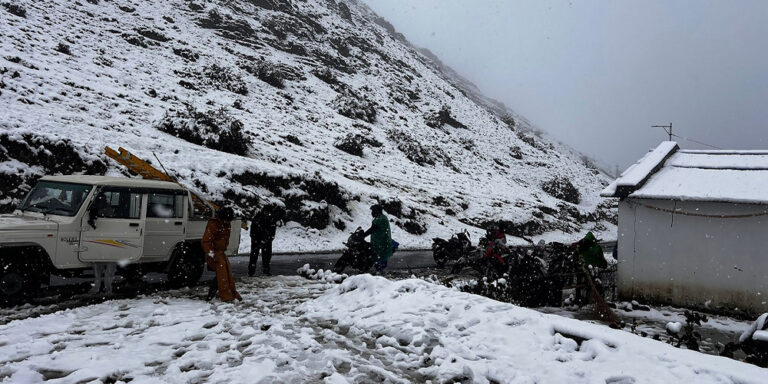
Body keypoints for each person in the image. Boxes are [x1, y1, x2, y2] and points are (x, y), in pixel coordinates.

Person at [202, 206, 242, 302]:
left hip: (220, 252)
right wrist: (212, 254)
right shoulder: (214, 224)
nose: (228, 222)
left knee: (227, 273)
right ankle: (223, 295)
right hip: (215, 253)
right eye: (226, 220)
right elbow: (206, 242)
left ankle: (226, 293)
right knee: (222, 274)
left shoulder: (225, 224)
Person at [249, 205, 280, 276]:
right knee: (254, 256)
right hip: (257, 239)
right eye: (266, 212)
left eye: (269, 212)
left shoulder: (271, 219)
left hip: (267, 240)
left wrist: (269, 239)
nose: (267, 214)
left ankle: (266, 270)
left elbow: (273, 231)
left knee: (267, 256)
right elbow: (253, 230)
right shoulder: (258, 217)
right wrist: (255, 239)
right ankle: (251, 271)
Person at [363, 205, 391, 273]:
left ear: (377, 211)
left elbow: (373, 229)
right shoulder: (380, 218)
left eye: (373, 211)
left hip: (381, 242)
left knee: (380, 257)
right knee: (379, 256)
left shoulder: (381, 219)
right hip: (379, 242)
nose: (372, 213)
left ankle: (380, 271)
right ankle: (379, 270)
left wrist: (363, 235)